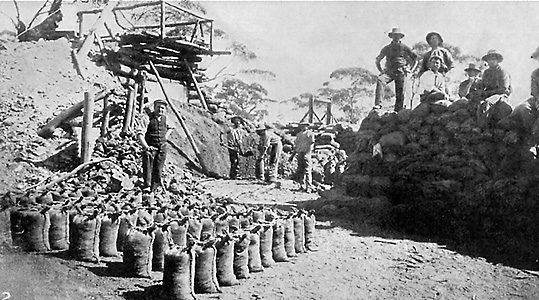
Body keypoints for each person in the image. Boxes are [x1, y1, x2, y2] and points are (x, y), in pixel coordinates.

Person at [374, 27, 419, 112]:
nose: (396, 37)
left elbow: (415, 59)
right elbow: (377, 60)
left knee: (400, 93)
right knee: (380, 80)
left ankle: (398, 111)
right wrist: (381, 71)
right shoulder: (387, 48)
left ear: (400, 36)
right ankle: (378, 104)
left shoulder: (404, 47)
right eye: (394, 35)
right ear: (391, 36)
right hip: (389, 71)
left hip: (401, 71)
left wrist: (410, 69)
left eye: (398, 35)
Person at [135, 99, 175, 192]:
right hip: (151, 147)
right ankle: (147, 186)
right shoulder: (147, 118)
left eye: (162, 108)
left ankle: (154, 189)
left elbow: (172, 127)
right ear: (154, 107)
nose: (160, 109)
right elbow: (139, 133)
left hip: (162, 147)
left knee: (158, 168)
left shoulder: (166, 119)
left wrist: (165, 136)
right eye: (158, 107)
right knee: (148, 166)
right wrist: (146, 147)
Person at [472, 50, 513, 127]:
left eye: (493, 59)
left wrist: (486, 93)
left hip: (501, 96)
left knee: (487, 103)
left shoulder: (502, 72)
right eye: (489, 60)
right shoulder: (486, 72)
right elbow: (482, 85)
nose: (491, 61)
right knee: (475, 101)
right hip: (489, 94)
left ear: (497, 60)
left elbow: (503, 89)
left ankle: (482, 126)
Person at [289, 122, 316, 192]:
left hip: (306, 153)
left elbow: (311, 145)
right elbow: (296, 146)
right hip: (300, 153)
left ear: (307, 127)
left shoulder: (310, 134)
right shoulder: (299, 135)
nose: (303, 127)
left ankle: (309, 187)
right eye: (302, 126)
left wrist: (307, 153)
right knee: (300, 170)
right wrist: (292, 156)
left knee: (307, 170)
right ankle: (301, 185)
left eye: (304, 126)